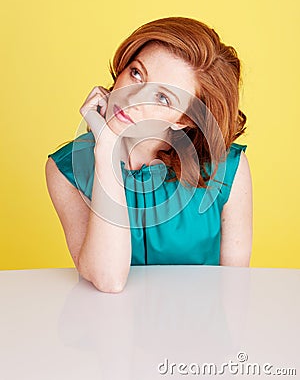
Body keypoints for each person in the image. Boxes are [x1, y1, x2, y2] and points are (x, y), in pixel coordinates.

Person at [45, 16, 253, 294]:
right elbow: (108, 279)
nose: (132, 97)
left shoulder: (227, 169)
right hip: (109, 331)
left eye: (162, 97)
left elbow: (235, 291)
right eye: (136, 73)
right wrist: (106, 146)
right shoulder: (66, 170)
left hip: (200, 331)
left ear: (185, 120)